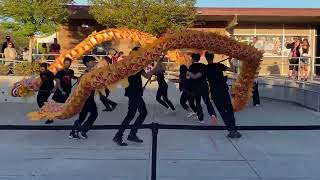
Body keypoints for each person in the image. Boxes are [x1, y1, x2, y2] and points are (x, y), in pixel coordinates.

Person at [113, 47, 162, 146]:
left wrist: (155, 65)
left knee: (132, 114)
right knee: (142, 113)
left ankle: (125, 135)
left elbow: (147, 76)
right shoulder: (129, 64)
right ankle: (124, 135)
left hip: (137, 92)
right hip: (133, 92)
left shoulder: (138, 65)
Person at [205, 52, 241, 138]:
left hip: (215, 92)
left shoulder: (205, 69)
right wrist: (230, 60)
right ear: (213, 57)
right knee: (229, 110)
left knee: (222, 111)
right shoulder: (219, 65)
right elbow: (233, 69)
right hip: (223, 90)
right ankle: (234, 129)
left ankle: (230, 130)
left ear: (206, 58)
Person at [69, 56, 98, 139]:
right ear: (87, 63)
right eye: (92, 61)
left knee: (83, 114)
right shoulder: (85, 74)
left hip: (89, 96)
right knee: (93, 114)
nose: (93, 63)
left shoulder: (92, 72)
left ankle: (74, 131)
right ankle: (82, 131)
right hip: (86, 97)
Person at [187, 53, 217, 123]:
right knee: (207, 102)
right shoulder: (203, 66)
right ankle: (213, 115)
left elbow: (191, 77)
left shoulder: (191, 67)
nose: (191, 59)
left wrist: (187, 72)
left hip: (196, 87)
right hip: (204, 86)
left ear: (193, 59)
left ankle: (201, 119)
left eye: (192, 58)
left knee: (198, 102)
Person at [50, 58, 78, 124]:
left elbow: (72, 76)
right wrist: (61, 90)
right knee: (54, 104)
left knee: (62, 105)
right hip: (60, 91)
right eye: (66, 63)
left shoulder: (71, 71)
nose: (67, 65)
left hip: (67, 91)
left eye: (68, 64)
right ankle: (50, 118)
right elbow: (58, 83)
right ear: (63, 64)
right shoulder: (60, 72)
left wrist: (79, 78)